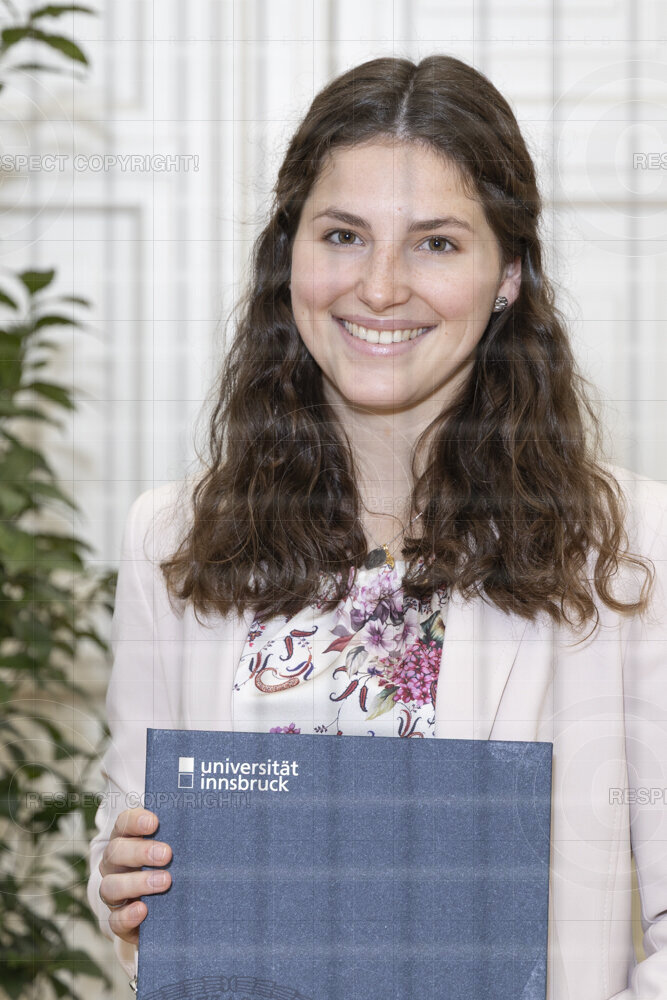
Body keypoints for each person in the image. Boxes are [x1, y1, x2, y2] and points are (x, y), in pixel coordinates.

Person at [86, 55, 667, 1000]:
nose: (381, 286)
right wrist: (120, 880)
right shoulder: (170, 538)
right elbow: (128, 833)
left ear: (508, 273)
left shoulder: (631, 545)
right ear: (290, 255)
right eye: (343, 235)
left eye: (435, 242)